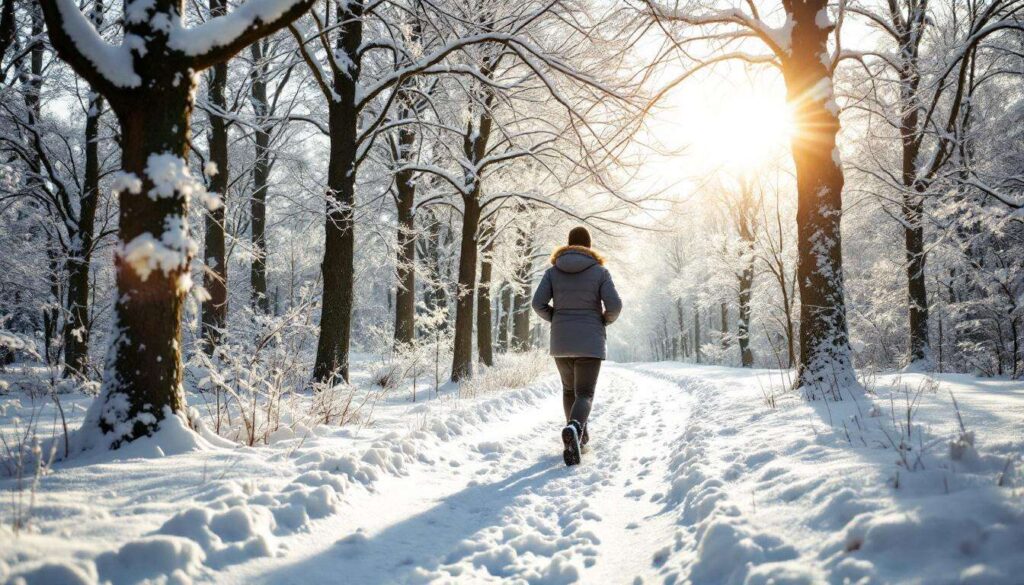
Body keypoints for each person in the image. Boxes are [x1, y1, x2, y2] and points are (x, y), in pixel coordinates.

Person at [531, 226, 622, 466]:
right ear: (588, 246)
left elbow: (537, 303)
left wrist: (557, 318)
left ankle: (578, 438)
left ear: (568, 244)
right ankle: (575, 428)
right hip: (590, 340)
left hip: (561, 339)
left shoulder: (553, 272)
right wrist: (602, 320)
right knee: (585, 393)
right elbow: (615, 306)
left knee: (569, 391)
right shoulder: (600, 272)